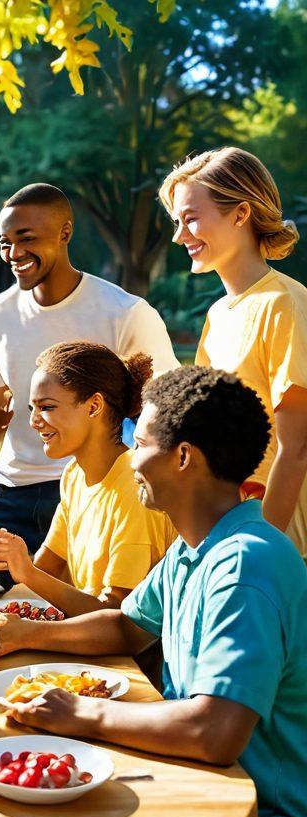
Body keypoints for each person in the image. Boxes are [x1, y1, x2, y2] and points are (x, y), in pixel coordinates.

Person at [0, 366, 307, 817]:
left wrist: (81, 714)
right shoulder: (198, 547)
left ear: (183, 457)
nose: (132, 458)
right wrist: (19, 635)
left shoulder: (245, 564)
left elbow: (216, 731)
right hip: (205, 794)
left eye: (140, 443)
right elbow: (125, 627)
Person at [0, 183, 179, 583]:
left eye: (25, 238)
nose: (14, 253)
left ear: (65, 232)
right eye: (5, 243)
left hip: (96, 488)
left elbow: (168, 415)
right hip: (12, 493)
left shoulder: (125, 312)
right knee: (5, 613)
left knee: (76, 616)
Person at [160, 146, 307, 560]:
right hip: (229, 538)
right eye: (177, 221)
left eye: (190, 219)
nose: (179, 236)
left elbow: (297, 448)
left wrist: (262, 550)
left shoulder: (285, 304)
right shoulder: (218, 314)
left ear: (240, 214)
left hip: (280, 551)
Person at [0, 341, 175, 616]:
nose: (34, 421)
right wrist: (4, 553)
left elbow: (118, 618)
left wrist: (26, 571)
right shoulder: (74, 475)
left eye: (47, 407)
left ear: (94, 407)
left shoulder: (135, 488)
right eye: (32, 408)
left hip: (121, 658)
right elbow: (46, 568)